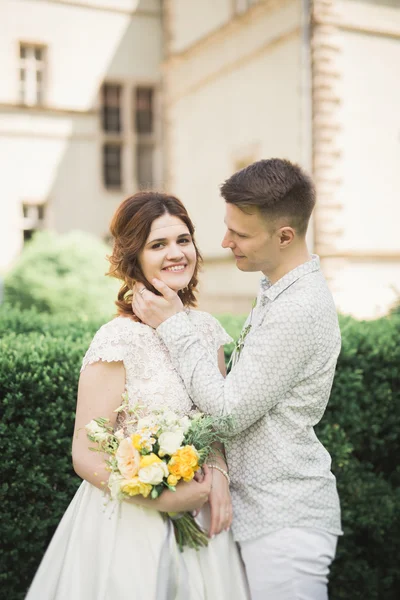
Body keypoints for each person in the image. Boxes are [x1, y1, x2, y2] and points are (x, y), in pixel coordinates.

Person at [132, 159, 343, 600]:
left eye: (240, 234)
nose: (225, 242)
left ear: (284, 236)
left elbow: (227, 413)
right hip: (258, 517)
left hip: (284, 521)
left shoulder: (298, 309)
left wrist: (173, 325)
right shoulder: (276, 292)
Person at [25, 192, 249, 600]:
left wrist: (217, 474)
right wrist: (156, 497)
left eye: (183, 240)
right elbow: (86, 452)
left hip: (202, 517)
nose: (176, 253)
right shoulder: (119, 339)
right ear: (134, 259)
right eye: (157, 244)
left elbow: (216, 419)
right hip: (129, 525)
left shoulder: (206, 330)